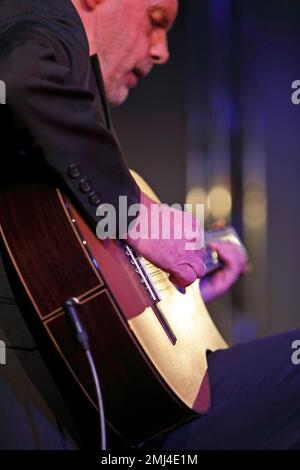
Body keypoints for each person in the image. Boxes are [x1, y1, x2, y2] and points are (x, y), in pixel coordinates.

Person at [0, 0, 298, 450]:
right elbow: (18, 78)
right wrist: (134, 212)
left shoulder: (74, 99)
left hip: (97, 394)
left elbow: (71, 265)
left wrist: (179, 294)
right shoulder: (52, 24)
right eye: (155, 21)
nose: (162, 51)